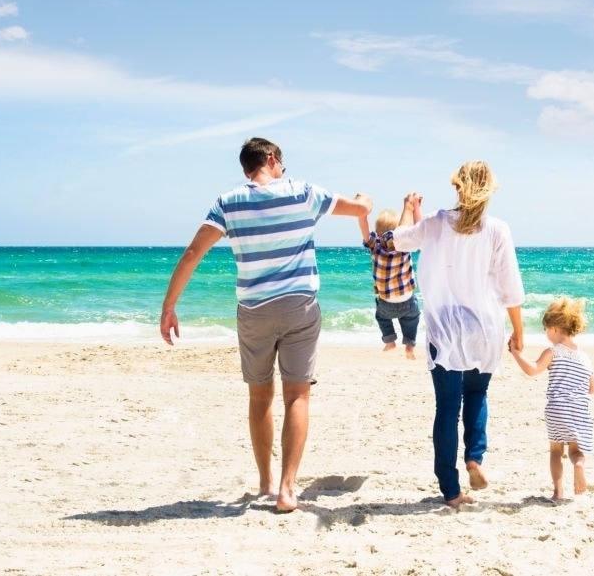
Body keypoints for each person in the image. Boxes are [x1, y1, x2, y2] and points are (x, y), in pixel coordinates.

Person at [159, 137, 373, 513]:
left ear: (248, 167)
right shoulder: (304, 193)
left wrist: (169, 306)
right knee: (297, 396)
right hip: (299, 307)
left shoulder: (229, 203)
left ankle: (265, 481)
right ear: (272, 160)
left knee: (260, 397)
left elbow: (194, 253)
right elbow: (357, 208)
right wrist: (365, 202)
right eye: (281, 165)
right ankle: (288, 490)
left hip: (254, 310)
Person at [388, 161, 525, 508]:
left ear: (457, 187)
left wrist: (408, 210)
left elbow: (399, 241)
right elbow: (511, 287)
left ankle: (450, 490)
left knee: (448, 407)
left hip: (444, 328)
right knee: (477, 396)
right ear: (490, 191)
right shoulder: (497, 229)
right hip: (485, 327)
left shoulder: (435, 222)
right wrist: (519, 333)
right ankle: (475, 458)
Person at [508, 295, 594, 503]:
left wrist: (515, 352)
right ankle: (579, 465)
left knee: (556, 451)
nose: (546, 333)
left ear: (555, 328)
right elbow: (593, 388)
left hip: (557, 408)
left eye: (546, 329)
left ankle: (558, 492)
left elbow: (532, 370)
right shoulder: (585, 357)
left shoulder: (552, 352)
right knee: (577, 450)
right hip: (579, 409)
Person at [357, 208, 420, 360]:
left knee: (381, 318)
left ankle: (390, 340)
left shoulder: (374, 247)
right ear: (399, 230)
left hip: (386, 303)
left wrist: (362, 214)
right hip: (408, 301)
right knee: (413, 318)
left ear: (377, 232)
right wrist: (413, 208)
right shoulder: (404, 246)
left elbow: (364, 227)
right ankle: (410, 344)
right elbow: (416, 230)